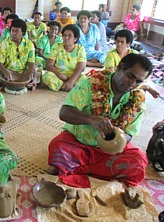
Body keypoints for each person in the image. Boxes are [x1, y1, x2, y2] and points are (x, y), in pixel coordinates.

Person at [47, 53, 153, 188]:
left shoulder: (138, 99)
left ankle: (76, 170)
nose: (132, 84)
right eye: (130, 76)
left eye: (138, 81)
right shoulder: (90, 83)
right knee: (58, 147)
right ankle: (98, 173)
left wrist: (118, 140)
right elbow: (65, 112)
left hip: (109, 153)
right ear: (120, 67)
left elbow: (130, 133)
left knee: (139, 161)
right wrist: (92, 120)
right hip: (78, 143)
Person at [105, 29, 159, 98]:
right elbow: (110, 72)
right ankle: (145, 87)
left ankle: (144, 88)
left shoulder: (135, 54)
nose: (118, 44)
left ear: (128, 44)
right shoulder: (111, 55)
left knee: (141, 86)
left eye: (122, 42)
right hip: (118, 81)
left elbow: (141, 74)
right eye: (117, 41)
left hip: (132, 82)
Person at [41, 24, 86, 91]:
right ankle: (67, 86)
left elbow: (81, 67)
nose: (66, 38)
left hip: (73, 75)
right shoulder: (57, 46)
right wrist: (60, 75)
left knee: (84, 80)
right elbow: (49, 65)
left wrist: (71, 81)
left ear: (75, 38)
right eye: (64, 35)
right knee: (46, 76)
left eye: (69, 35)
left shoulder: (80, 49)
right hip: (58, 75)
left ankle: (66, 86)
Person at [0, 18, 36, 88]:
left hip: (24, 72)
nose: (13, 33)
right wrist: (5, 72)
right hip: (8, 71)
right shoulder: (4, 43)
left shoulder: (29, 44)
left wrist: (30, 73)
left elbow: (31, 62)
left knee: (36, 72)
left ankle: (30, 82)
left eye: (16, 31)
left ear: (22, 33)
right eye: (12, 30)